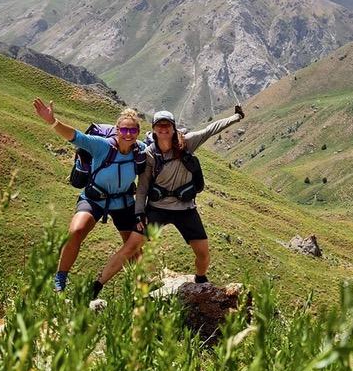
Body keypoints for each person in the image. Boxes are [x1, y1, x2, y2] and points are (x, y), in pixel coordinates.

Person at [32, 99, 147, 296]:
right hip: (94, 197)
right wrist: (52, 121)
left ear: (137, 132)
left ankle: (143, 285)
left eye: (133, 131)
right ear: (117, 130)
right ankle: (60, 277)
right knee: (76, 230)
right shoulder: (102, 146)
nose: (128, 135)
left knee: (133, 247)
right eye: (124, 130)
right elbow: (76, 137)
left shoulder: (140, 150)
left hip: (124, 201)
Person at [135, 106, 244, 283]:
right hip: (157, 208)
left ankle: (200, 279)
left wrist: (236, 117)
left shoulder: (187, 143)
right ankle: (141, 283)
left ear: (173, 127)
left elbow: (210, 130)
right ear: (154, 128)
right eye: (159, 125)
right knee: (135, 246)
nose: (163, 129)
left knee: (203, 253)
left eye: (167, 125)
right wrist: (139, 212)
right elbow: (143, 186)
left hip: (185, 208)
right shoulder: (149, 153)